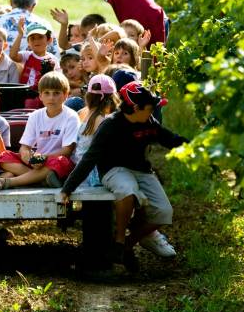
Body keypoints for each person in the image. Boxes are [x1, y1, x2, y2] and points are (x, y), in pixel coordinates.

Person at [61, 82, 189, 271]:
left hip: (141, 170)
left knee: (164, 212)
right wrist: (68, 188)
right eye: (150, 107)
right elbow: (90, 158)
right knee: (127, 190)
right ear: (136, 108)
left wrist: (196, 148)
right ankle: (120, 242)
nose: (153, 110)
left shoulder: (148, 121)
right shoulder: (110, 125)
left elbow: (170, 139)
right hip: (114, 170)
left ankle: (127, 244)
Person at [0, 72, 79, 190]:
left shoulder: (71, 116)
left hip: (56, 163)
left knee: (60, 162)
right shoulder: (35, 116)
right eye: (47, 93)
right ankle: (40, 180)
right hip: (37, 164)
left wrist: (42, 158)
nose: (51, 97)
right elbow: (25, 147)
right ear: (40, 96)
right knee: (4, 157)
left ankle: (8, 182)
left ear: (66, 95)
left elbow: (67, 151)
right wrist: (27, 157)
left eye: (56, 93)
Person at [71, 74, 120, 187]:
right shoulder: (104, 120)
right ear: (113, 98)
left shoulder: (80, 113)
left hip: (77, 168)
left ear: (88, 96)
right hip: (94, 173)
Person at [10, 17, 59, 106]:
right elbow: (13, 56)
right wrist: (20, 34)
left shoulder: (53, 59)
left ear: (49, 40)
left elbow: (58, 80)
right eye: (32, 38)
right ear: (28, 42)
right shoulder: (27, 55)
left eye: (40, 37)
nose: (36, 41)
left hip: (44, 94)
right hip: (25, 94)